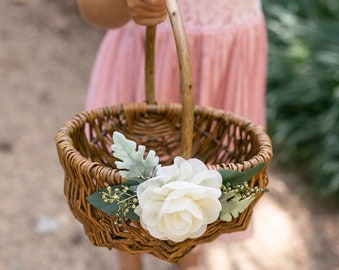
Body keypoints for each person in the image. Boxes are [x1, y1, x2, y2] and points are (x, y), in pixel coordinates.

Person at [77, 0, 268, 269]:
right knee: (124, 186)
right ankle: (129, 261)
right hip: (150, 52)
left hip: (228, 54)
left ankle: (189, 259)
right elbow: (93, 9)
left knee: (205, 191)